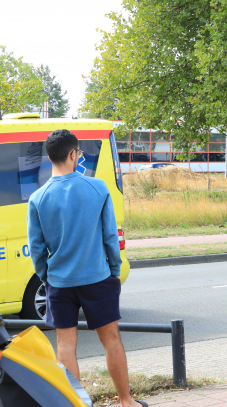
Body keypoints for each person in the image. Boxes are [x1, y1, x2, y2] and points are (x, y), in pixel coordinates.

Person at [27, 130, 146, 407]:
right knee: (111, 340)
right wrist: (115, 271)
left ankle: (74, 405)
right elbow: (109, 237)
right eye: (78, 153)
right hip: (97, 279)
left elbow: (37, 249)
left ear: (49, 157)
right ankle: (126, 401)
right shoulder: (98, 188)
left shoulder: (38, 198)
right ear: (73, 154)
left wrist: (48, 277)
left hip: (60, 283)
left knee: (65, 347)